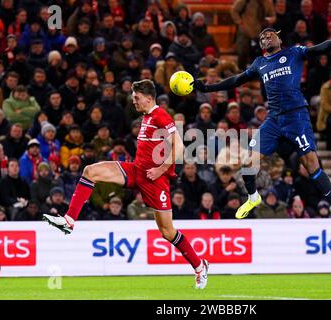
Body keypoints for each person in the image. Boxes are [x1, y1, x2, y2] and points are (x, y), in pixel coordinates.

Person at [193, 27, 331, 235]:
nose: (265, 38)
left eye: (269, 35)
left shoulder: (294, 53)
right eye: (261, 37)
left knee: (311, 165)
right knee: (248, 163)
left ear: (279, 37)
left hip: (296, 117)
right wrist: (207, 88)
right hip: (274, 120)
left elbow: (323, 48)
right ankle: (253, 198)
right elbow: (236, 80)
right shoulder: (260, 63)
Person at [42, 79, 209, 289]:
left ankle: (199, 265)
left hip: (155, 180)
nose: (133, 101)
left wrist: (160, 169)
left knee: (167, 232)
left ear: (149, 98)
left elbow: (180, 148)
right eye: (132, 97)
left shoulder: (160, 115)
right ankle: (69, 221)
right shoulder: (147, 117)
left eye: (136, 97)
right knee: (90, 171)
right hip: (137, 170)